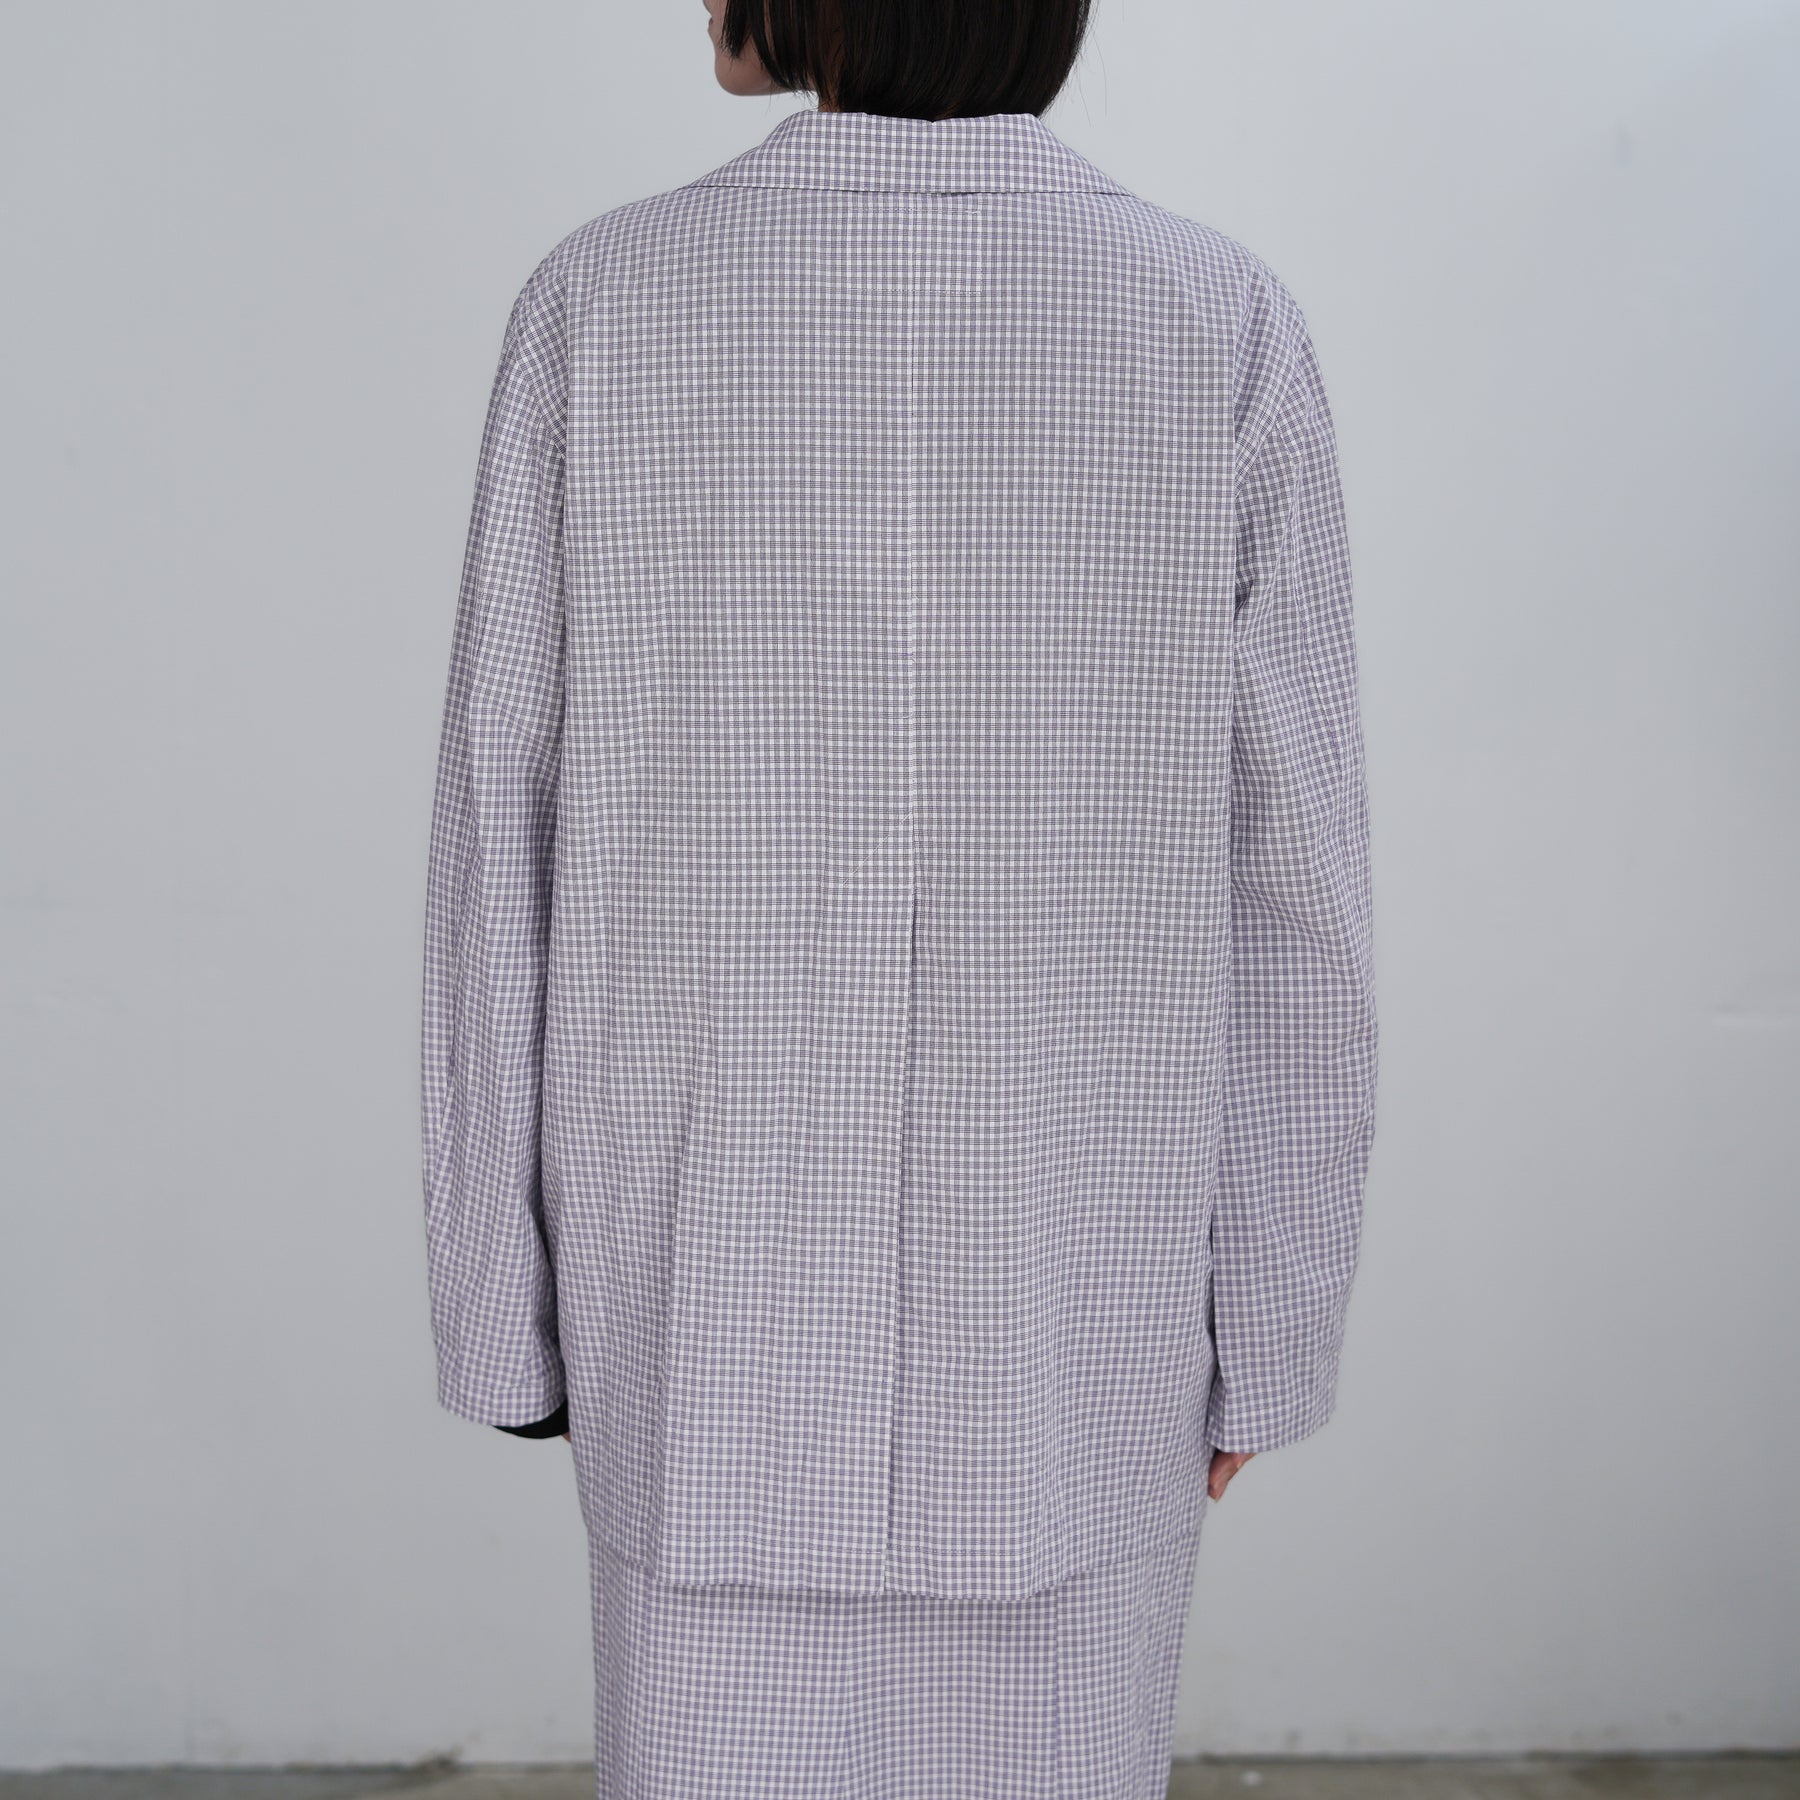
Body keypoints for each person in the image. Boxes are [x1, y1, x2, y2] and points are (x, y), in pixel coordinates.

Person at [420, 0, 1378, 1792]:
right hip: (1079, 1316)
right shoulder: (1215, 318)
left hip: (697, 1312)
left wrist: (501, 1304)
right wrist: (1271, 1326)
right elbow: (1297, 885)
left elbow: (499, 829)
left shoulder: (602, 304)